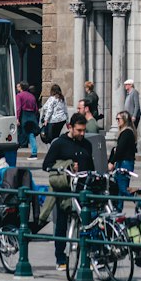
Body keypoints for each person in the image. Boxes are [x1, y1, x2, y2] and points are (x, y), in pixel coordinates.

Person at [41, 112, 95, 270]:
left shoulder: (87, 144)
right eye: (79, 130)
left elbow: (90, 166)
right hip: (65, 188)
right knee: (61, 224)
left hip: (83, 188)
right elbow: (47, 165)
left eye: (84, 130)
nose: (82, 134)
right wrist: (66, 166)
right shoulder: (59, 143)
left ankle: (89, 255)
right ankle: (60, 258)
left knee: (88, 222)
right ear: (70, 127)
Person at [108, 110, 137, 210]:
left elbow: (120, 150)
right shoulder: (126, 132)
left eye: (119, 119)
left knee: (122, 188)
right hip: (123, 162)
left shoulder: (127, 132)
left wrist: (112, 162)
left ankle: (139, 202)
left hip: (125, 163)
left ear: (124, 120)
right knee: (119, 190)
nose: (117, 121)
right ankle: (118, 210)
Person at [15, 82, 39, 157]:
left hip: (24, 114)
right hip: (32, 114)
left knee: (28, 133)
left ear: (21, 88)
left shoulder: (19, 95)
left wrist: (17, 118)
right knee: (31, 133)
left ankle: (34, 152)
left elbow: (18, 108)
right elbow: (36, 108)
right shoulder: (32, 96)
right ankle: (33, 150)